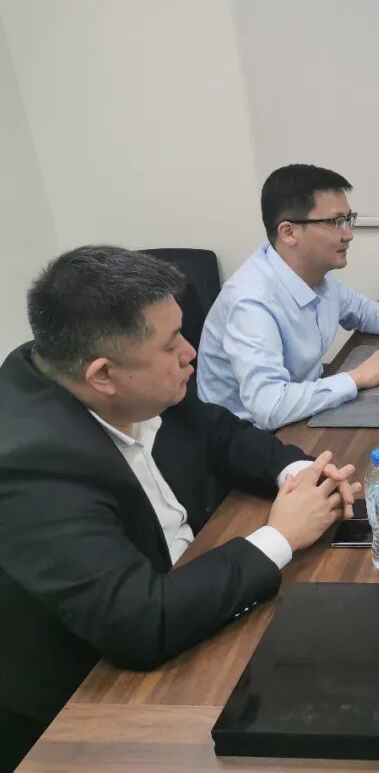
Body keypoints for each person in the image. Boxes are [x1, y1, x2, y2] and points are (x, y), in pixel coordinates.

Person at [0, 247, 360, 770]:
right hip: (92, 709)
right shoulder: (30, 465)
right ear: (104, 376)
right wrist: (282, 535)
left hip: (195, 596)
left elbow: (220, 432)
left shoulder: (119, 378)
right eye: (172, 345)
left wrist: (298, 473)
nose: (191, 353)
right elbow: (140, 621)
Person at [196, 164, 379, 430]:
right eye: (335, 222)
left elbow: (363, 311)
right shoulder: (251, 302)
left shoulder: (315, 277)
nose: (348, 234)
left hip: (299, 411)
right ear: (289, 232)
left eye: (349, 219)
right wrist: (357, 377)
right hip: (246, 438)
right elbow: (269, 407)